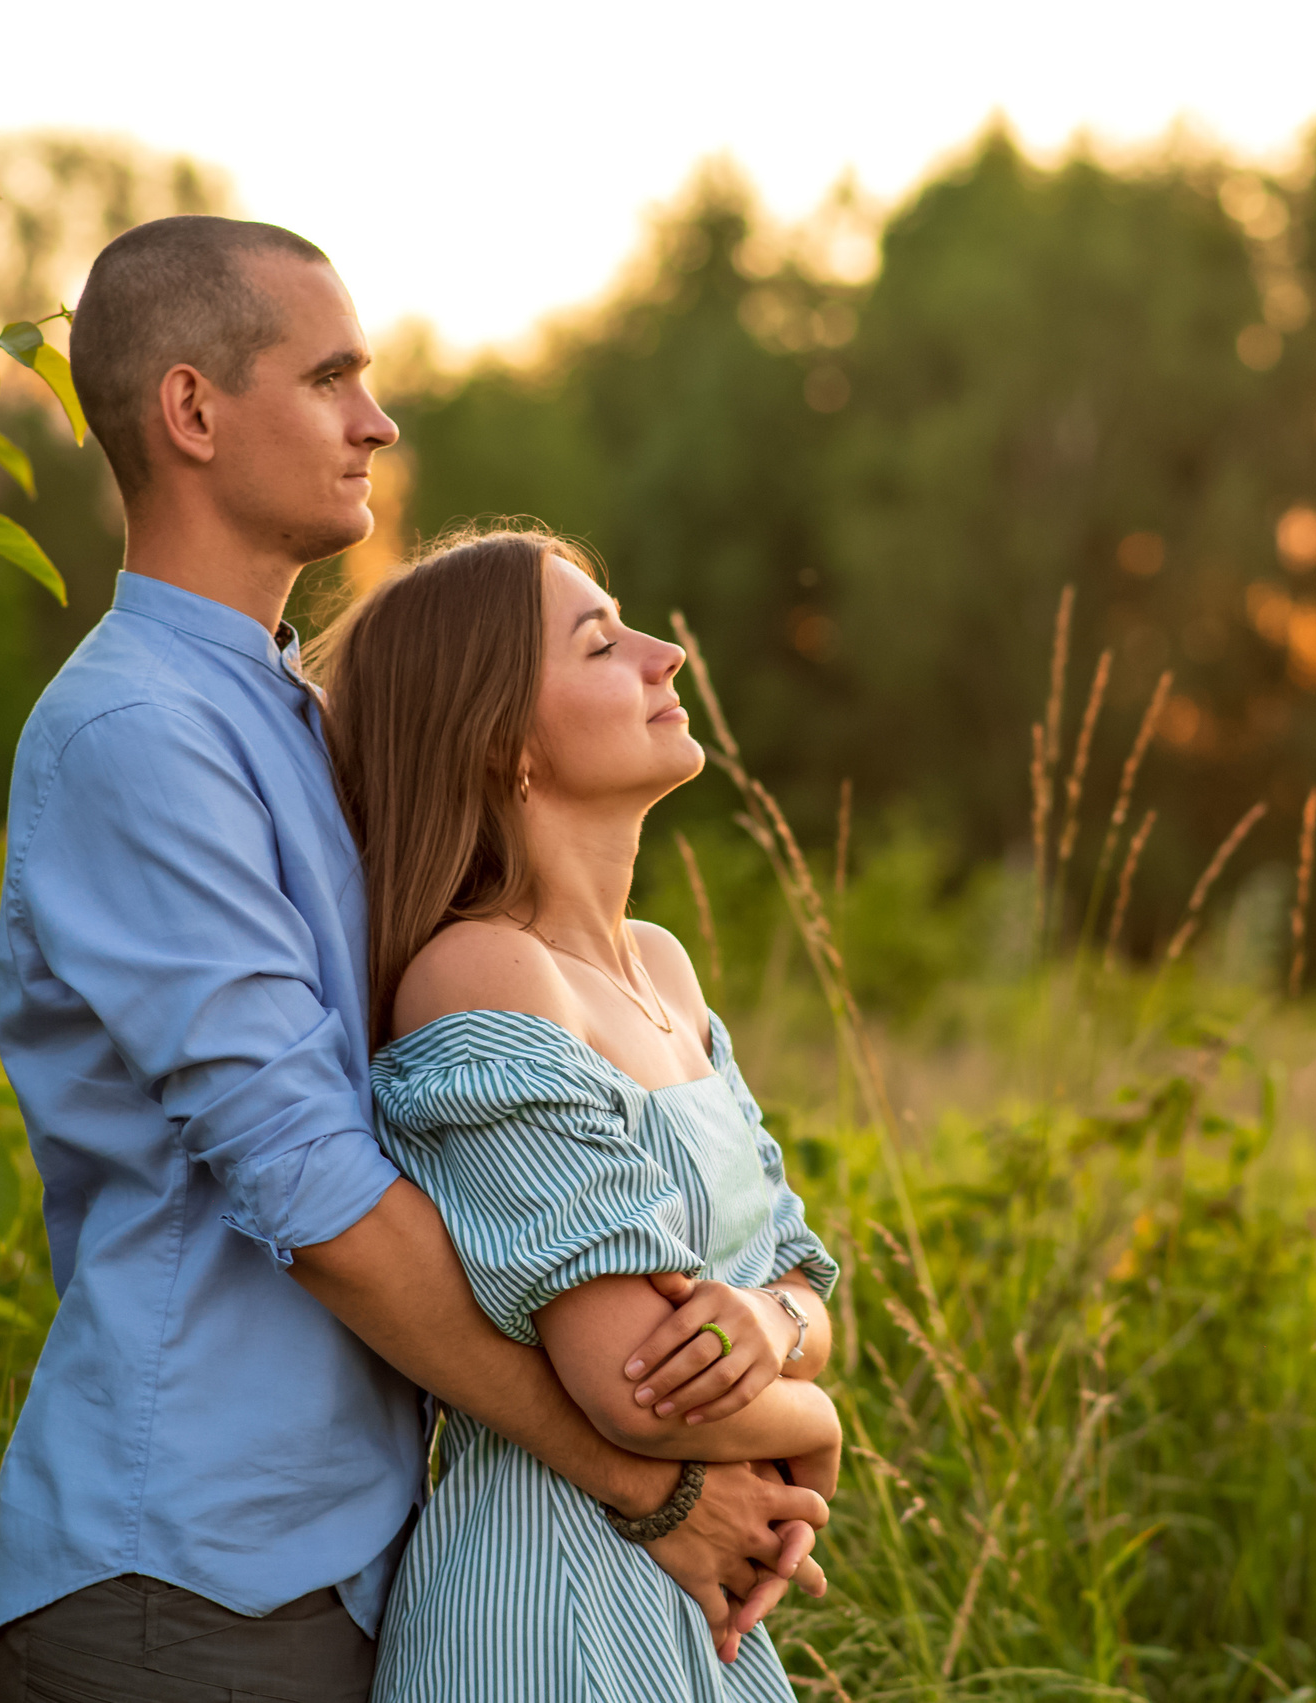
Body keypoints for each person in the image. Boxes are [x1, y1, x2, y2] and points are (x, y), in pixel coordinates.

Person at [0, 216, 826, 1703]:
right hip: (191, 1564)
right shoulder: (137, 734)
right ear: (191, 412)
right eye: (329, 378)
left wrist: (765, 1340)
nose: (380, 419)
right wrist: (646, 1481)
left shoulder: (290, 719)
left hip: (347, 1547)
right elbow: (312, 1190)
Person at [314, 527, 841, 1702]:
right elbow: (634, 1385)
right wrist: (817, 1417)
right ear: (505, 743)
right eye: (603, 642)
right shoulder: (480, 973)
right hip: (550, 1600)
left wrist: (765, 1319)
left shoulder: (663, 970)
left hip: (683, 1587)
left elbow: (804, 1282)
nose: (667, 656)